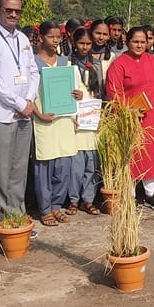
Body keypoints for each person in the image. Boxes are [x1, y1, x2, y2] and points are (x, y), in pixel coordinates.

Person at [0, 0, 40, 220]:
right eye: (8, 10)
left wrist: (29, 100)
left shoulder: (22, 39)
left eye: (17, 11)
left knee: (19, 169)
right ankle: (3, 220)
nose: (13, 14)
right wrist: (20, 103)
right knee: (1, 170)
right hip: (0, 114)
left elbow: (33, 71)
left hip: (24, 114)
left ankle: (17, 213)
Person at [105, 27, 154, 210]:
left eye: (143, 42)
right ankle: (129, 193)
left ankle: (150, 193)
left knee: (151, 153)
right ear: (127, 42)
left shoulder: (153, 60)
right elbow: (113, 92)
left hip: (150, 115)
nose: (139, 45)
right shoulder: (119, 64)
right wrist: (129, 110)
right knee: (131, 154)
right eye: (135, 41)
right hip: (129, 117)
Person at [32, 21, 80, 226]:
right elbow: (27, 95)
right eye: (51, 36)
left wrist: (78, 96)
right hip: (43, 121)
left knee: (63, 164)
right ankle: (45, 209)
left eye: (58, 37)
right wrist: (39, 114)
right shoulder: (32, 63)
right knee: (44, 165)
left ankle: (57, 205)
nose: (55, 40)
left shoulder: (66, 63)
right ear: (41, 37)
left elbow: (76, 92)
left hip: (64, 120)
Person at [68, 26, 103, 215]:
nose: (85, 47)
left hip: (92, 120)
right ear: (74, 43)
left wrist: (100, 116)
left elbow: (99, 94)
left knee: (92, 163)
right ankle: (73, 200)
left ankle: (88, 199)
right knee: (76, 165)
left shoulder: (95, 66)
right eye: (81, 43)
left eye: (88, 44)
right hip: (75, 122)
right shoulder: (67, 65)